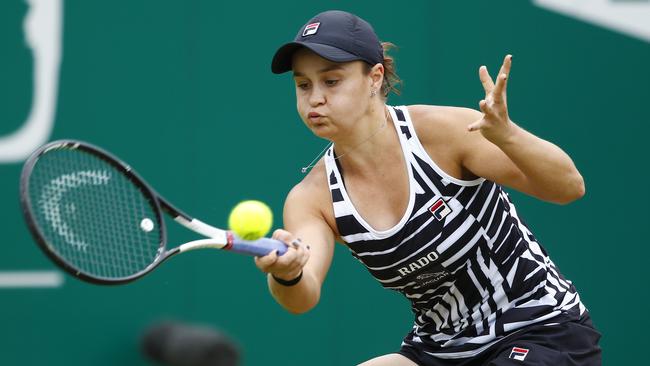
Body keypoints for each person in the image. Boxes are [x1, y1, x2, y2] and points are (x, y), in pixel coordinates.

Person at [255, 10, 602, 366]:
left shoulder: (443, 133)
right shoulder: (312, 198)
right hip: (443, 348)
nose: (315, 98)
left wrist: (508, 136)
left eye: (331, 81)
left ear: (374, 77)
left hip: (540, 328)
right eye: (303, 85)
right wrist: (288, 273)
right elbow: (303, 294)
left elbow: (569, 187)